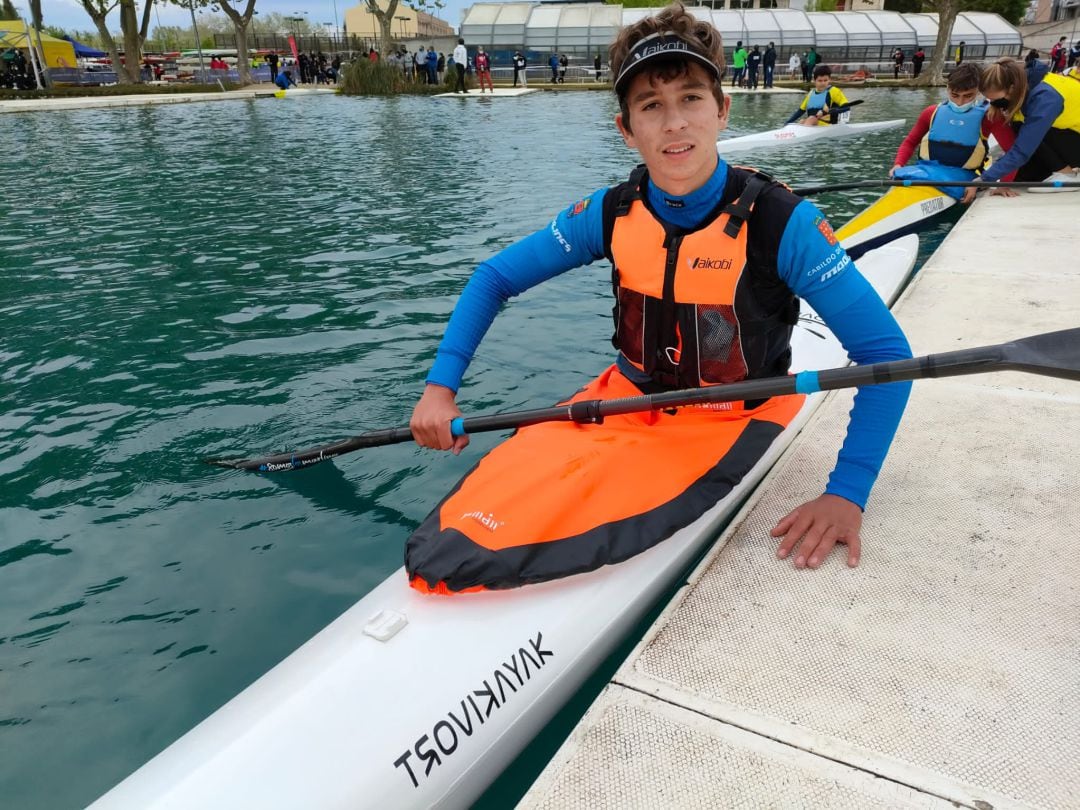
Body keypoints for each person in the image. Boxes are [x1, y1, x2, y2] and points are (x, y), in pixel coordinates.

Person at [408, 3, 913, 578]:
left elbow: (887, 358)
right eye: (652, 106)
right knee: (466, 535)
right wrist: (439, 390)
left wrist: (847, 493)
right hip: (626, 399)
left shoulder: (783, 224)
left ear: (722, 110)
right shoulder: (608, 213)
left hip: (731, 415)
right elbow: (493, 278)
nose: (675, 123)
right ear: (627, 129)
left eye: (691, 98)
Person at [890, 63, 1017, 201]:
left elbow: (1014, 153)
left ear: (980, 91)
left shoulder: (991, 117)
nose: (960, 102)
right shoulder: (931, 112)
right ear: (947, 88)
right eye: (954, 95)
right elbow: (910, 142)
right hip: (926, 171)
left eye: (968, 96)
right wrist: (898, 164)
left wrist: (1004, 184)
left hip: (965, 176)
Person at [962, 57, 1080, 200]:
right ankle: (1055, 170)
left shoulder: (1045, 97)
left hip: (1073, 138)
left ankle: (1068, 175)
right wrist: (1002, 180)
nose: (994, 104)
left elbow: (1023, 149)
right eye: (990, 100)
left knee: (1030, 131)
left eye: (996, 100)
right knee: (1026, 173)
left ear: (1011, 88)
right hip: (1069, 137)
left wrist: (983, 179)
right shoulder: (1022, 86)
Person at [785, 64, 850, 126]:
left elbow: (846, 107)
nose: (823, 83)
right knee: (801, 121)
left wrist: (830, 111)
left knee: (811, 119)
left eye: (825, 80)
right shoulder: (811, 93)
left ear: (829, 80)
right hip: (813, 125)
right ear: (814, 81)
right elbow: (800, 111)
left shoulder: (833, 91)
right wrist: (787, 122)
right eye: (820, 81)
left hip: (827, 125)